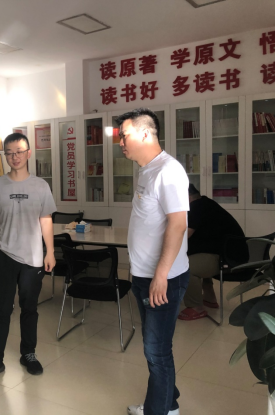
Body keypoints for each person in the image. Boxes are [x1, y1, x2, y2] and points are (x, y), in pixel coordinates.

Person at [119, 109, 190, 416]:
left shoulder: (168, 170)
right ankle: (166, 402)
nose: (120, 142)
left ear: (145, 133)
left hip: (163, 279)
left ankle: (158, 410)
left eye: (124, 135)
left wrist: (160, 275)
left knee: (156, 351)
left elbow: (178, 224)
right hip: (143, 276)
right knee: (155, 349)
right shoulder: (147, 170)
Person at [0, 132, 57, 383]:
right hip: (5, 255)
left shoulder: (41, 186)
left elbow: (46, 220)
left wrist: (50, 251)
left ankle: (28, 353)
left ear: (28, 153)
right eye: (9, 153)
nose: (15, 157)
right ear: (5, 156)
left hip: (33, 258)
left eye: (19, 152)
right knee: (1, 308)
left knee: (29, 308)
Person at [178, 184, 245, 321]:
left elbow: (183, 236)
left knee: (183, 266)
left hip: (227, 259)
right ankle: (209, 297)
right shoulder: (206, 203)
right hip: (232, 255)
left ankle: (195, 307)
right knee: (195, 256)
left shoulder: (196, 207)